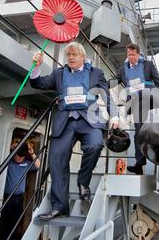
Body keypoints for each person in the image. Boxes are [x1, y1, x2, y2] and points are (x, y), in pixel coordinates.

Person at [30, 42, 119, 220]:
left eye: (74, 55)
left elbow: (106, 96)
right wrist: (36, 68)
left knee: (95, 145)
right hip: (65, 121)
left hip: (89, 120)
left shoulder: (96, 73)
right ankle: (60, 207)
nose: (70, 58)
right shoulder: (59, 73)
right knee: (56, 160)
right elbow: (38, 84)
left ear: (83, 57)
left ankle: (83, 181)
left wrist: (115, 116)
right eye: (68, 55)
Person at [112, 43, 159, 175]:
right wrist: (99, 84)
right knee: (139, 133)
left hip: (150, 98)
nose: (131, 57)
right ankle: (139, 163)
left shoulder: (148, 65)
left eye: (133, 55)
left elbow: (158, 81)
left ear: (138, 55)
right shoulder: (123, 70)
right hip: (136, 103)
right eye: (129, 55)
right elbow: (113, 82)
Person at [0, 143, 40, 240]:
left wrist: (31, 152)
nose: (19, 158)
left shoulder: (26, 163)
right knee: (3, 225)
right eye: (17, 155)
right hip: (7, 198)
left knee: (16, 225)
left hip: (19, 199)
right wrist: (10, 147)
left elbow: (38, 165)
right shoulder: (9, 162)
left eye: (21, 156)